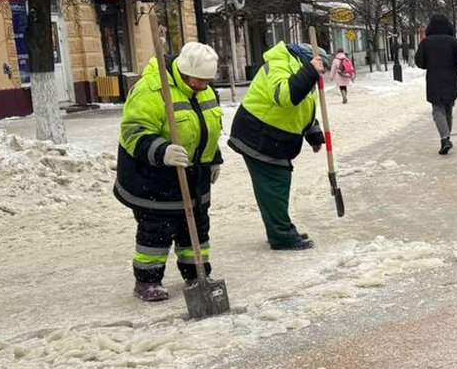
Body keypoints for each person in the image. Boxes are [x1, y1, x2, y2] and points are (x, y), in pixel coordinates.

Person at [114, 42, 224, 302]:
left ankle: (197, 273)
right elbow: (133, 131)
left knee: (195, 227)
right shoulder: (152, 89)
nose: (203, 86)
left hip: (193, 175)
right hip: (152, 177)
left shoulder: (206, 90)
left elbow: (207, 128)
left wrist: (213, 158)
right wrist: (161, 150)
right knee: (156, 231)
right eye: (198, 80)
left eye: (207, 81)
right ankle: (147, 281)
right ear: (184, 72)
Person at [229, 41, 329, 251]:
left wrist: (313, 132)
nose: (321, 74)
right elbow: (286, 96)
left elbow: (302, 107)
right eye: (320, 69)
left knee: (275, 184)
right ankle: (281, 234)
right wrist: (310, 71)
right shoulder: (279, 65)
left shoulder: (301, 72)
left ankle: (280, 229)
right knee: (275, 184)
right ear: (305, 61)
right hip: (259, 134)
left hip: (272, 137)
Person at [414, 14, 457, 155]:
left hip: (433, 79)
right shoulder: (454, 42)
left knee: (437, 109)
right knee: (448, 108)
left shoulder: (426, 43)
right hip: (451, 79)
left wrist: (431, 64)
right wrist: (452, 64)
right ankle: (446, 137)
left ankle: (445, 138)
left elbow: (419, 62)